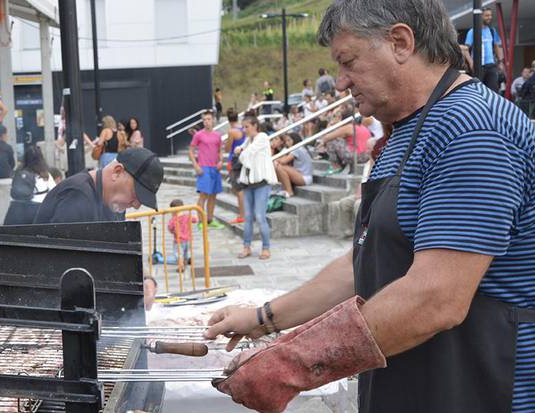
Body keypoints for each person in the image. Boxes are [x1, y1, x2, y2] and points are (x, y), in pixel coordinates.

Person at [205, 1, 535, 413]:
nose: (340, 82)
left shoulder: (471, 129)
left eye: (348, 62)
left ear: (400, 42)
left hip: (479, 386)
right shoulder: (408, 129)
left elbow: (436, 298)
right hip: (420, 380)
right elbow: (366, 258)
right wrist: (263, 318)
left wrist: (292, 364)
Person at [33, 148, 163, 224]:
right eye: (136, 194)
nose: (136, 205)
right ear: (117, 172)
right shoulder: (78, 195)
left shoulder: (114, 205)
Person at [235, 115, 277, 260]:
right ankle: (246, 247)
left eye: (247, 126)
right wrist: (240, 151)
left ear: (255, 126)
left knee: (260, 216)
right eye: (243, 127)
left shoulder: (262, 137)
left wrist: (240, 152)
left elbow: (246, 154)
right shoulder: (249, 140)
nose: (245, 130)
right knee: (247, 217)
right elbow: (241, 151)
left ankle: (266, 248)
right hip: (248, 184)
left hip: (261, 184)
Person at [188, 110, 224, 229]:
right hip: (203, 168)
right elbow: (191, 151)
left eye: (208, 119)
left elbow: (220, 150)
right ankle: (200, 221)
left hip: (215, 168)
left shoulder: (218, 135)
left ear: (212, 120)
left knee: (213, 195)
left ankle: (210, 220)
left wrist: (221, 161)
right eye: (204, 120)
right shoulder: (199, 135)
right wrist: (196, 166)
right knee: (203, 195)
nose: (206, 122)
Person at [3, 146, 56, 225]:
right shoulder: (45, 175)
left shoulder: (18, 173)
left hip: (15, 211)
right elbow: (54, 193)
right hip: (36, 210)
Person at [317, 108, 371, 174]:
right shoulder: (363, 127)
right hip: (366, 156)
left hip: (356, 156)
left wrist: (322, 143)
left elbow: (327, 137)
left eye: (340, 117)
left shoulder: (349, 127)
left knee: (330, 141)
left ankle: (335, 166)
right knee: (337, 139)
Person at [464, 7, 504, 92]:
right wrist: (471, 63)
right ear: (480, 16)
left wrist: (500, 62)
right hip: (478, 66)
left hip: (491, 66)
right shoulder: (472, 31)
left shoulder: (492, 30)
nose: (490, 17)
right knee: (478, 91)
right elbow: (465, 49)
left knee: (493, 91)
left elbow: (497, 46)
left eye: (490, 15)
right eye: (487, 15)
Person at [271, 133, 313, 198]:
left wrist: (276, 159)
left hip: (304, 178)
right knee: (278, 166)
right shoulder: (299, 148)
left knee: (279, 167)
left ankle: (289, 191)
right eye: (286, 141)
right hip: (302, 176)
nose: (287, 143)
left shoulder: (297, 148)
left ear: (295, 140)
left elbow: (283, 161)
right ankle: (285, 189)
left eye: (289, 140)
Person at [224, 109, 247, 224]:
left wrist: (226, 144)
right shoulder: (243, 129)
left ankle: (242, 215)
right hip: (243, 159)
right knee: (238, 188)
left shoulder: (232, 132)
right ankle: (243, 213)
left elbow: (228, 149)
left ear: (228, 119)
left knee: (237, 189)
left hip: (233, 160)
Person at [166, 199, 197, 272]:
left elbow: (170, 228)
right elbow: (195, 220)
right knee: (186, 252)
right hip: (188, 239)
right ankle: (186, 263)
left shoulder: (173, 219)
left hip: (178, 240)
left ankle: (181, 266)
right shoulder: (187, 216)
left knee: (178, 254)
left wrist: (172, 231)